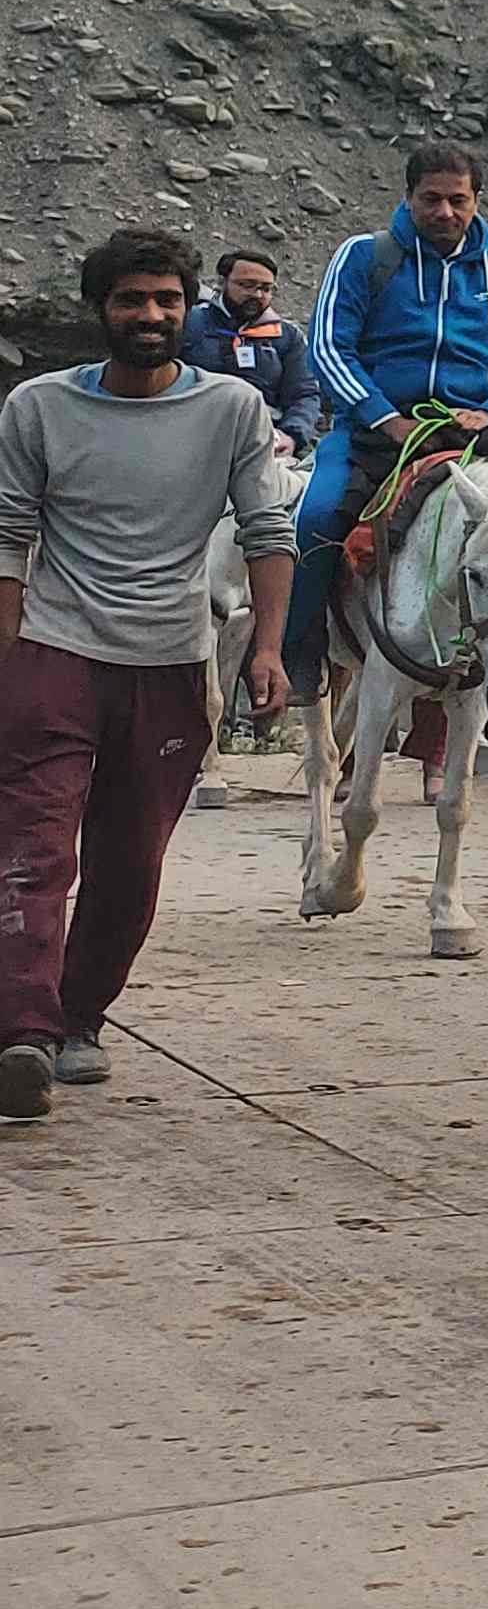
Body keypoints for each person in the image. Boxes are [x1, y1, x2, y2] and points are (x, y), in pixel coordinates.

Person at [0, 230, 296, 1119]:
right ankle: (22, 1032)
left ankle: (79, 1018)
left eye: (167, 299)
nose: (151, 315)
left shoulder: (233, 408)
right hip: (54, 651)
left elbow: (267, 532)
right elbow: (7, 536)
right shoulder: (38, 408)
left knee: (130, 862)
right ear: (100, 310)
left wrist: (269, 648)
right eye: (131, 299)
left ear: (187, 308)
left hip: (169, 663)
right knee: (33, 848)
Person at [280, 144, 488, 690]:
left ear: (477, 200)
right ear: (408, 197)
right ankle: (303, 651)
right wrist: (384, 417)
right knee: (316, 516)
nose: (444, 212)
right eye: (431, 199)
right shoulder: (365, 257)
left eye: (458, 200)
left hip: (479, 429)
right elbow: (329, 347)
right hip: (375, 432)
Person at [184, 252, 319, 451]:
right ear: (221, 282)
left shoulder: (286, 336)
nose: (257, 295)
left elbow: (304, 394)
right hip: (193, 430)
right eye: (247, 285)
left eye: (266, 288)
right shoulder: (189, 322)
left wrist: (291, 435)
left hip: (262, 436)